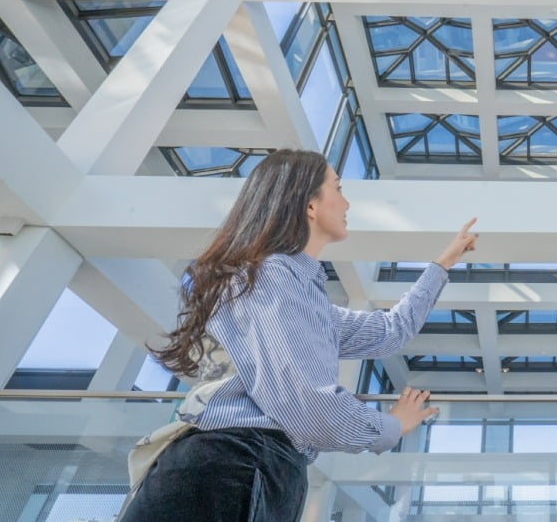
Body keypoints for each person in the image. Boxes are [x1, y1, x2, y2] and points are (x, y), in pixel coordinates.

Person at [119, 149, 477, 521]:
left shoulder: (301, 293)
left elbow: (389, 332)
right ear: (309, 204)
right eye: (337, 188)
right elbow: (309, 404)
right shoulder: (271, 276)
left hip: (256, 466)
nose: (346, 201)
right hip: (233, 466)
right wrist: (390, 427)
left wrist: (442, 264)